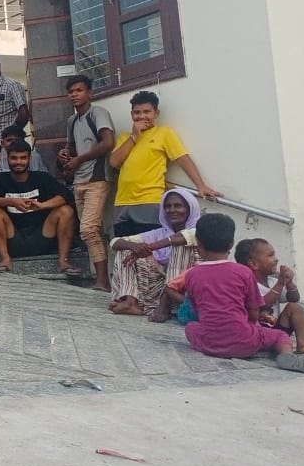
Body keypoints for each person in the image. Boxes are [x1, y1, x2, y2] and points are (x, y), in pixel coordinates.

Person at [182, 214, 304, 375]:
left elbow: (198, 310)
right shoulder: (243, 272)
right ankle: (287, 356)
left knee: (190, 328)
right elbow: (253, 311)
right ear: (231, 243)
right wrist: (251, 327)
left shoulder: (191, 275)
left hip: (210, 344)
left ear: (198, 244)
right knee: (280, 336)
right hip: (245, 342)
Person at [110, 91, 219, 237]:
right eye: (137, 112)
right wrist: (134, 136)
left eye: (147, 112)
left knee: (150, 246)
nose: (142, 116)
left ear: (156, 113)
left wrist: (201, 186)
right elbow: (114, 162)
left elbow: (183, 159)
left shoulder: (164, 133)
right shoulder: (125, 137)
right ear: (131, 115)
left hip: (150, 201)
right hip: (122, 202)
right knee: (123, 247)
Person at [0, 141, 79, 275]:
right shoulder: (0, 179)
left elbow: (66, 196)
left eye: (23, 158)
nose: (18, 162)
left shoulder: (42, 177)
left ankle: (64, 261)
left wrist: (42, 205)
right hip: (13, 238)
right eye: (14, 158)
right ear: (7, 159)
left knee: (66, 211)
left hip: (43, 235)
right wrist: (12, 202)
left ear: (30, 159)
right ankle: (5, 260)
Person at [56, 75, 115, 291]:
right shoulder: (72, 121)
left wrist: (79, 159)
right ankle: (103, 278)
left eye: (79, 90)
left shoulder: (98, 113)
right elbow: (70, 147)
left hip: (98, 179)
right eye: (71, 91)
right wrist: (65, 154)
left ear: (90, 93)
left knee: (89, 229)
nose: (74, 94)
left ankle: (103, 281)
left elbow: (108, 142)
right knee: (91, 231)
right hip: (79, 180)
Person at [109, 188, 201, 321]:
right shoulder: (160, 233)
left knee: (181, 245)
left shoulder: (200, 230)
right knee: (126, 249)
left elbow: (184, 237)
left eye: (178, 206)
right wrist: (134, 246)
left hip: (184, 291)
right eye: (168, 206)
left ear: (190, 209)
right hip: (158, 289)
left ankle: (165, 306)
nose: (172, 210)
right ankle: (130, 301)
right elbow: (115, 242)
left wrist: (150, 247)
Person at [234, 238, 304, 355]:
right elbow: (262, 305)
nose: (276, 259)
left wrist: (289, 283)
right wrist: (280, 283)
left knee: (294, 307)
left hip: (278, 331)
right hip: (258, 332)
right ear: (254, 264)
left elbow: (294, 298)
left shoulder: (273, 281)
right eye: (270, 255)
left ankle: (302, 343)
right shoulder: (249, 284)